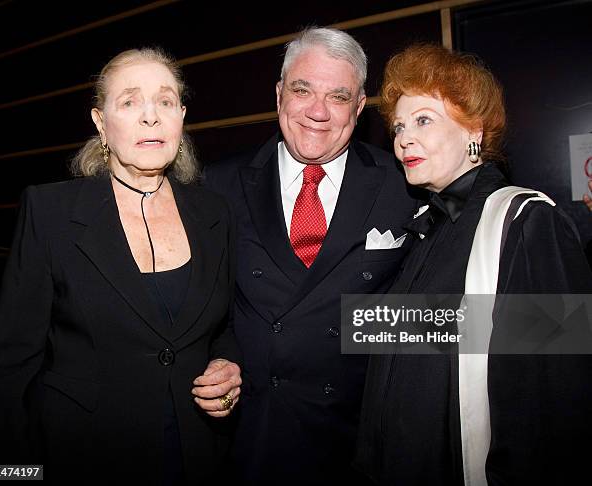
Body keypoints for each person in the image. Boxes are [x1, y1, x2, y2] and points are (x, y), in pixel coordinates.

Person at [0, 48, 241, 485]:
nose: (150, 117)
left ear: (181, 116)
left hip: (196, 456)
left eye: (164, 101)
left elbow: (226, 327)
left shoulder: (215, 213)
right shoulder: (50, 213)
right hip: (83, 458)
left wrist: (227, 367)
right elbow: (9, 373)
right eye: (129, 102)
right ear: (101, 122)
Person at [355, 44, 592, 486]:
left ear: (475, 130)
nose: (404, 137)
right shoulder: (426, 230)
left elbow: (558, 401)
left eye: (424, 119)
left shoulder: (525, 222)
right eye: (400, 125)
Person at [203, 27, 418, 485]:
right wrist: (219, 360)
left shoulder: (406, 186)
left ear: (360, 108)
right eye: (302, 90)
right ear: (280, 94)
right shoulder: (217, 186)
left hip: (361, 441)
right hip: (251, 437)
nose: (318, 112)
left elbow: (440, 305)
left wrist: (553, 325)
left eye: (338, 97)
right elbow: (200, 309)